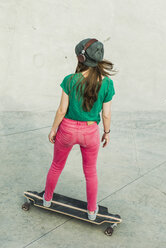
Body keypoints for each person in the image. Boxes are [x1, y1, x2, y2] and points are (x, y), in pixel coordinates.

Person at [42, 38, 117, 220]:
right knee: (90, 171)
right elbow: (106, 114)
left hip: (66, 130)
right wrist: (106, 133)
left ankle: (47, 200)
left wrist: (53, 129)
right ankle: (92, 211)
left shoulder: (69, 80)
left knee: (56, 165)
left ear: (81, 58)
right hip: (90, 132)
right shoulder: (107, 84)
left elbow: (62, 110)